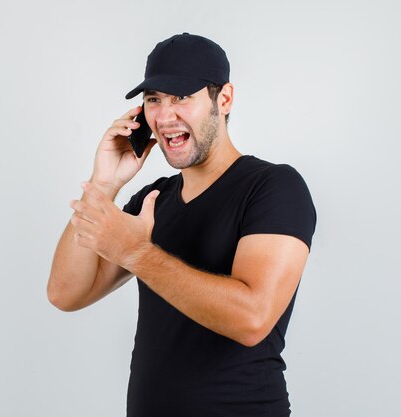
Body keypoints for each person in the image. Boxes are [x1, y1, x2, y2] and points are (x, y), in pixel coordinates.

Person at [47, 33, 316, 417]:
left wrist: (136, 252)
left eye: (181, 97)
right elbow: (65, 292)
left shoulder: (274, 187)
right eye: (154, 99)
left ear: (223, 100)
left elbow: (253, 318)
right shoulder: (153, 202)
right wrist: (105, 184)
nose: (164, 115)